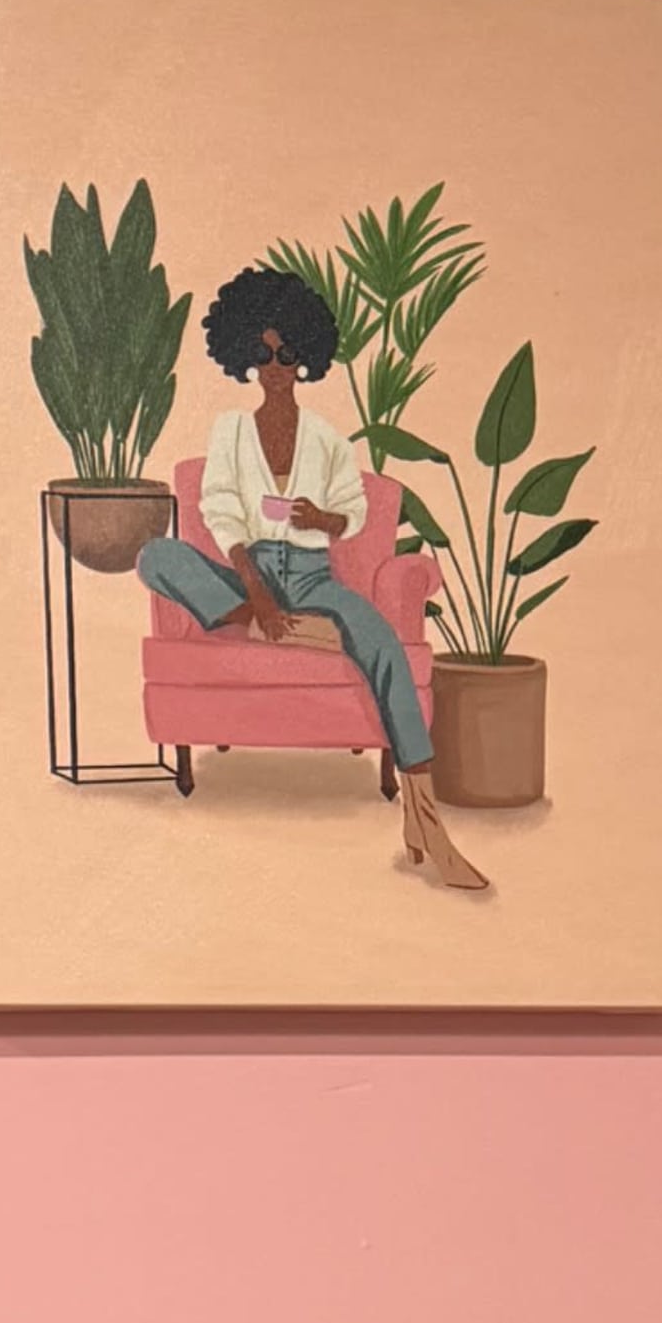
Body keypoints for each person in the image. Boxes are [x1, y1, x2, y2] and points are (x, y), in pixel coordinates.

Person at [137, 268, 492, 895]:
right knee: (158, 557)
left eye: (288, 354)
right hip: (249, 577)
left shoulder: (327, 439)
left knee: (381, 644)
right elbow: (220, 511)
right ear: (246, 355)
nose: (275, 366)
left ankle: (427, 825)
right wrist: (253, 595)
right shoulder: (230, 431)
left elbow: (350, 511)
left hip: (310, 577)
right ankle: (268, 627)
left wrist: (318, 517)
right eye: (264, 354)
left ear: (306, 360)